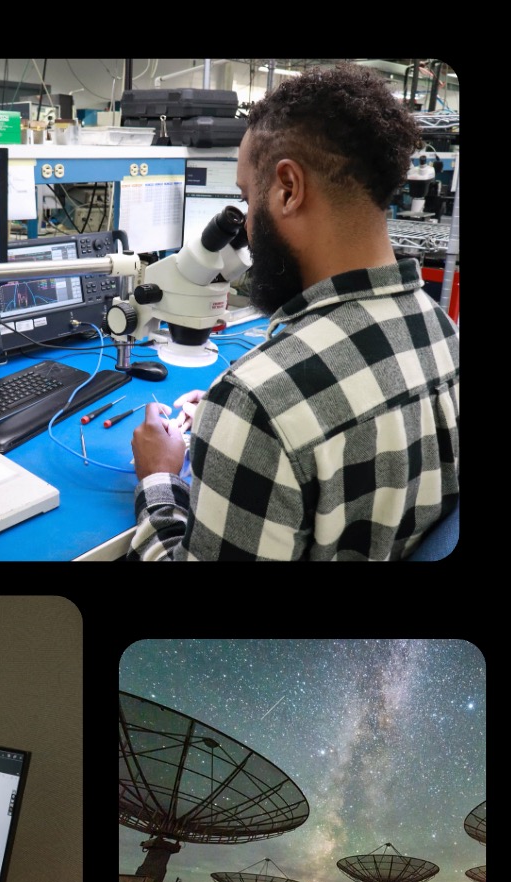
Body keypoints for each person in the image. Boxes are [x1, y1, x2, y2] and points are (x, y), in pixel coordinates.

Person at [126, 63, 458, 560]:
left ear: (287, 187)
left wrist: (158, 477)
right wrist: (234, 424)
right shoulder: (442, 330)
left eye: (246, 198)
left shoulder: (259, 405)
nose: (247, 224)